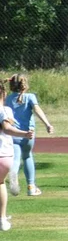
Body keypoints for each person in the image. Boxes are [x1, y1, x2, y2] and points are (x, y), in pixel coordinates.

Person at [5, 73, 54, 197]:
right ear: (25, 84)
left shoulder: (8, 98)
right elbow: (38, 110)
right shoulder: (30, 97)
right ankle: (31, 187)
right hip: (28, 134)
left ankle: (13, 174)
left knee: (15, 158)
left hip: (13, 133)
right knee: (27, 157)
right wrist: (47, 124)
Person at [0, 80, 34, 231]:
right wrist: (24, 133)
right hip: (4, 154)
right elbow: (7, 128)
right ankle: (2, 218)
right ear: (4, 94)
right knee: (0, 184)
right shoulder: (5, 110)